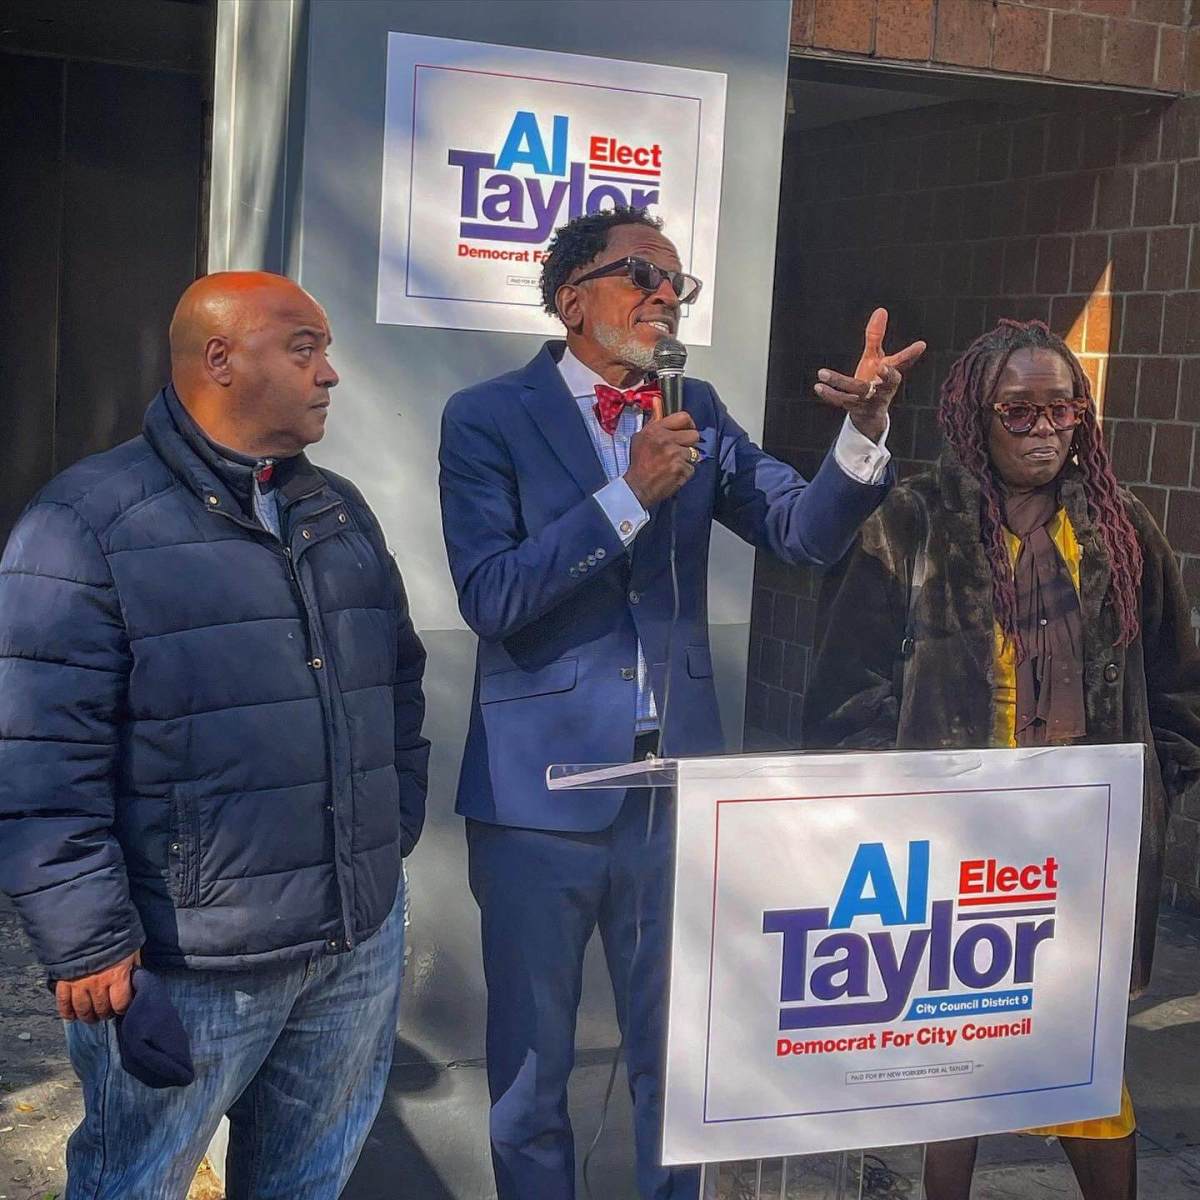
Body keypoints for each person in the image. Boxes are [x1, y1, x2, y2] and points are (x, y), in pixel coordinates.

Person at [438, 205, 925, 1200]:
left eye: (677, 283)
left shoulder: (692, 406)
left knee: (681, 1071)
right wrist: (628, 497)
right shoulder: (486, 417)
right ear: (573, 298)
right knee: (532, 1077)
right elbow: (493, 597)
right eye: (640, 276)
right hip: (541, 804)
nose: (666, 296)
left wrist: (863, 434)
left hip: (676, 803)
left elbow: (803, 533)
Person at [0, 272, 429, 1199]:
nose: (331, 375)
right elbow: (41, 761)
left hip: (350, 953)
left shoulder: (338, 511)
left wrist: (386, 846)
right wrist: (88, 943)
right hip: (186, 962)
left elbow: (397, 689)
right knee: (135, 1183)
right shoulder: (85, 524)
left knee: (306, 1184)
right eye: (305, 348)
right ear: (220, 359)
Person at [802, 318, 1200, 1200]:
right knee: (954, 1048)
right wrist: (883, 811)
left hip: (1078, 853)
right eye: (1016, 411)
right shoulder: (915, 519)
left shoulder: (1122, 530)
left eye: (1060, 407)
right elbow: (847, 691)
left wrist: (1149, 787)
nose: (1043, 428)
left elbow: (1178, 686)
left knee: (1077, 1050)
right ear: (975, 419)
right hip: (947, 845)